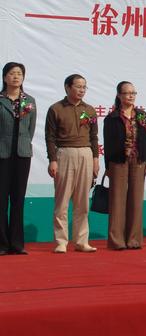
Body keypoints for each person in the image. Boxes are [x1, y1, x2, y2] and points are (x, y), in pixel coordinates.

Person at [45, 74, 99, 253]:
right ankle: (61, 241)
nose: (82, 90)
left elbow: (94, 137)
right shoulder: (56, 109)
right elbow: (50, 137)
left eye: (84, 87)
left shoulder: (89, 110)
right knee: (62, 201)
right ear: (67, 87)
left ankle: (81, 241)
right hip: (64, 153)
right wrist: (53, 160)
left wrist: (95, 159)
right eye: (78, 86)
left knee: (82, 202)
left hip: (86, 153)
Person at [103, 81, 146, 250]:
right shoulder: (112, 118)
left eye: (133, 93)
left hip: (139, 161)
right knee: (117, 201)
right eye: (127, 93)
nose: (131, 96)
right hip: (118, 162)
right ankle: (116, 241)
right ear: (119, 95)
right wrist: (108, 167)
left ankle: (134, 240)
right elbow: (108, 144)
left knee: (136, 201)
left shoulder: (141, 115)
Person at [0, 62, 36, 255]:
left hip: (22, 154)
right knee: (1, 200)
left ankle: (17, 243)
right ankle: (2, 244)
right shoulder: (0, 99)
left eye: (19, 74)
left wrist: (23, 143)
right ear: (5, 77)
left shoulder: (29, 100)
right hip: (2, 154)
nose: (16, 77)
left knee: (18, 199)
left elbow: (30, 129)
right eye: (12, 73)